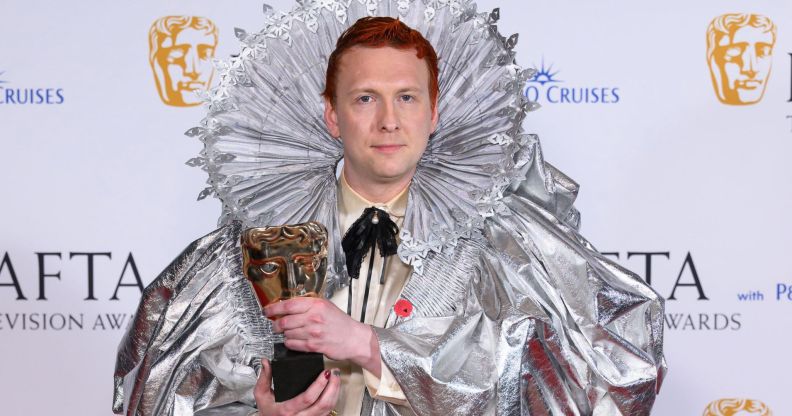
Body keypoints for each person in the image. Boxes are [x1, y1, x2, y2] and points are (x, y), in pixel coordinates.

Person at [114, 2, 666, 415]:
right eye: (364, 98)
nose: (388, 121)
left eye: (407, 97)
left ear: (435, 112)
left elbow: (611, 372)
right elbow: (158, 395)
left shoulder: (505, 244)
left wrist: (371, 347)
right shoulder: (247, 253)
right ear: (332, 116)